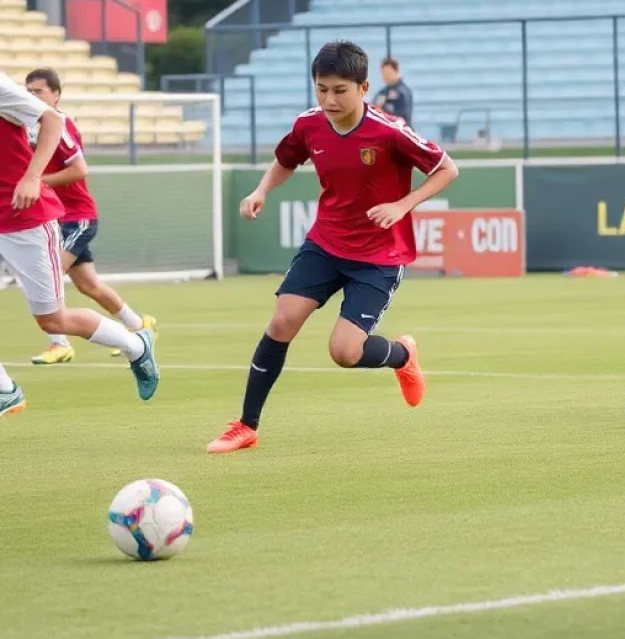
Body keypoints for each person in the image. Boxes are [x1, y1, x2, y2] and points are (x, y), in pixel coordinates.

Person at [206, 40, 458, 454]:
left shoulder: (389, 130)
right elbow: (287, 159)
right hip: (326, 243)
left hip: (378, 257)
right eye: (321, 88)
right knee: (282, 321)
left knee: (344, 352)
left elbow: (447, 168)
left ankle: (402, 355)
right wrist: (261, 190)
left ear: (363, 88)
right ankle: (246, 426)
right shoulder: (309, 124)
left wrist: (402, 204)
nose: (329, 99)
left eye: (339, 90)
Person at [0, 71, 159, 419]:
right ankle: (6, 390)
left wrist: (32, 177)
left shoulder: (3, 91)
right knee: (87, 286)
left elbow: (53, 121)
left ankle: (136, 343)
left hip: (26, 221)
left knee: (53, 320)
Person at [372, 56, 414, 126]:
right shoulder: (382, 93)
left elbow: (402, 116)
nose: (386, 76)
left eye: (389, 73)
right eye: (383, 73)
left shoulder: (403, 92)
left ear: (396, 71)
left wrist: (383, 108)